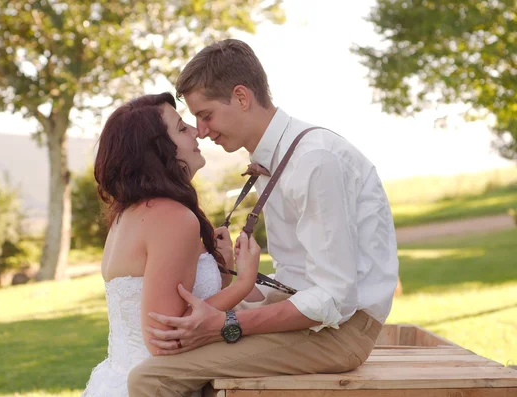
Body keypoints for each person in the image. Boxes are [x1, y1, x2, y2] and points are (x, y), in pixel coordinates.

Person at [128, 39, 400, 396]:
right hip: (316, 318)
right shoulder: (282, 157)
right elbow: (300, 277)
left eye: (206, 115)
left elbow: (334, 298)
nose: (203, 131)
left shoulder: (313, 161)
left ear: (242, 97)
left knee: (151, 379)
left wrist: (226, 322)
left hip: (340, 332)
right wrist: (235, 284)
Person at [81, 92, 262, 397]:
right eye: (181, 128)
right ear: (157, 150)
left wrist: (225, 268)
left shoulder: (130, 214)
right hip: (158, 387)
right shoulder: (171, 217)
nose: (196, 131)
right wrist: (242, 285)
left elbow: (180, 302)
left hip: (118, 381)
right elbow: (165, 336)